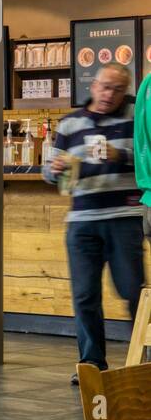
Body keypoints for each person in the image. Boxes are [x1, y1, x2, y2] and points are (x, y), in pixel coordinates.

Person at [44, 63, 142, 386]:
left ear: (125, 90)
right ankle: (91, 362)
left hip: (124, 218)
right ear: (94, 85)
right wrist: (55, 168)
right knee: (85, 295)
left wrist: (120, 155)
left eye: (117, 89)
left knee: (134, 291)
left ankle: (141, 359)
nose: (109, 95)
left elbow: (147, 157)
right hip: (82, 221)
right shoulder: (71, 123)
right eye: (104, 87)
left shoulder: (135, 116)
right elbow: (48, 173)